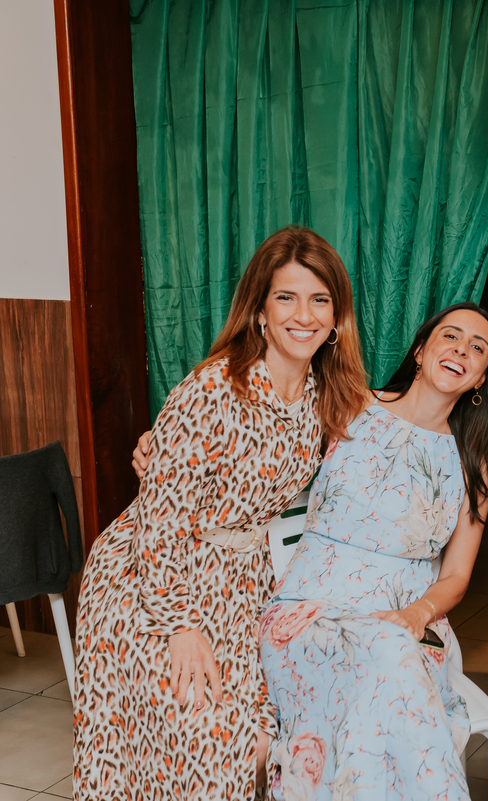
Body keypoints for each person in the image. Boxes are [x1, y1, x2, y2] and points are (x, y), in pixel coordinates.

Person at [74, 226, 371, 801]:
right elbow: (160, 521)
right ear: (260, 310)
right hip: (154, 579)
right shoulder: (212, 389)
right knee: (206, 732)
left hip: (241, 583)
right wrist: (181, 626)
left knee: (260, 737)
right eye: (286, 297)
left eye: (319, 300)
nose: (302, 315)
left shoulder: (328, 395)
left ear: (338, 319)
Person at [259, 302, 488, 801]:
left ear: (480, 377)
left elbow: (457, 575)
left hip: (408, 618)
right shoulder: (349, 406)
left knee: (390, 657)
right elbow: (259, 440)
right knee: (386, 657)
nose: (461, 349)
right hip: (308, 612)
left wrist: (417, 614)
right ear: (421, 350)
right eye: (450, 337)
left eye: (477, 347)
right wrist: (163, 443)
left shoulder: (472, 464)